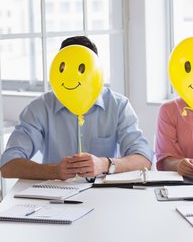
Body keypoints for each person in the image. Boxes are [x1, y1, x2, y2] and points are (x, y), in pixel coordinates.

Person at [0, 36, 153, 181]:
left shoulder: (118, 105)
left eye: (81, 69)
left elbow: (144, 159)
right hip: (54, 195)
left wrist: (105, 164)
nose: (74, 76)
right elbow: (8, 165)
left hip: (104, 194)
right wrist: (54, 171)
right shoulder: (39, 107)